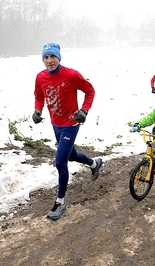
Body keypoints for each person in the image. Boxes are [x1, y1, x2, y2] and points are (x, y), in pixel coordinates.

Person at [33, 42, 103, 220]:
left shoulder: (71, 75)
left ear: (59, 57)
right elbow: (39, 95)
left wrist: (84, 110)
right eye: (46, 57)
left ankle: (60, 202)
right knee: (71, 155)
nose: (50, 61)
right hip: (55, 123)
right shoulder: (40, 77)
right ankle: (94, 164)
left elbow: (90, 90)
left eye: (52, 57)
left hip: (71, 123)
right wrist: (37, 110)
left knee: (60, 162)